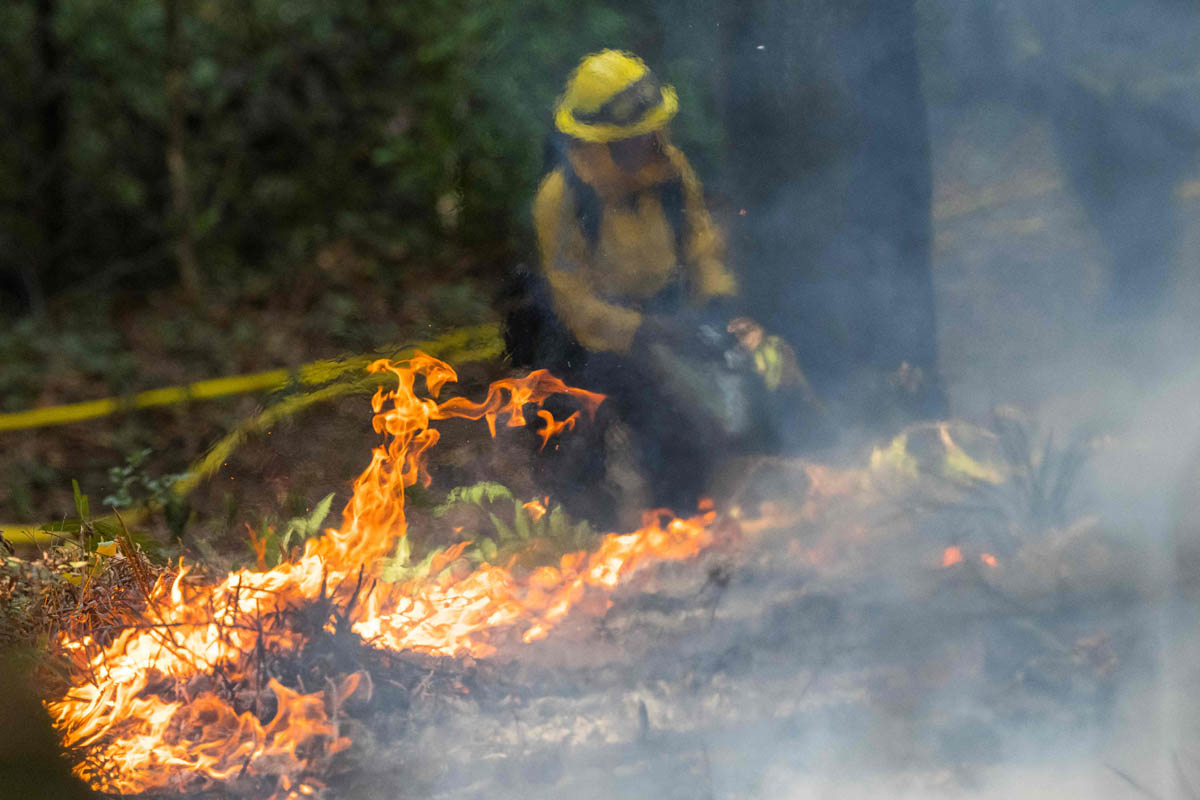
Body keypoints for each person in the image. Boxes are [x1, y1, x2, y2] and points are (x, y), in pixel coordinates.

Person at [518, 50, 826, 522]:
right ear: (598, 144)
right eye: (631, 140)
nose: (647, 145)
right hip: (595, 342)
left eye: (649, 133)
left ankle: (771, 503)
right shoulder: (559, 201)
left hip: (672, 313)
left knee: (762, 379)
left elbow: (701, 248)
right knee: (668, 426)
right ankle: (663, 527)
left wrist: (721, 309)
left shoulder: (672, 171)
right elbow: (576, 305)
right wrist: (648, 333)